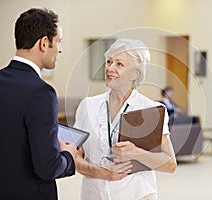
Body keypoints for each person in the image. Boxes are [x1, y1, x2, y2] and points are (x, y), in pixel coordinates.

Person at [74, 39, 177, 200]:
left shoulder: (151, 110)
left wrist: (136, 153)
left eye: (119, 64)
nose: (110, 68)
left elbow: (170, 164)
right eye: (109, 62)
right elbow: (74, 155)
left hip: (136, 195)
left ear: (136, 73)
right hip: (93, 195)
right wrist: (99, 172)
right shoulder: (87, 106)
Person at [0, 8, 77, 200]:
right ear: (44, 43)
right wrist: (68, 156)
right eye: (59, 41)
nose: (60, 49)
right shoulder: (41, 93)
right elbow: (47, 167)